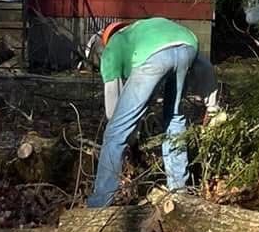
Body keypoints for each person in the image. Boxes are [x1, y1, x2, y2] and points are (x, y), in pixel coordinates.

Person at [86, 15, 223, 209]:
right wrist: (212, 106)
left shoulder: (114, 45)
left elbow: (112, 107)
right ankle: (179, 192)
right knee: (175, 118)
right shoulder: (147, 28)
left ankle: (99, 203)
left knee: (115, 132)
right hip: (188, 46)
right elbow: (206, 67)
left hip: (153, 57)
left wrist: (129, 137)